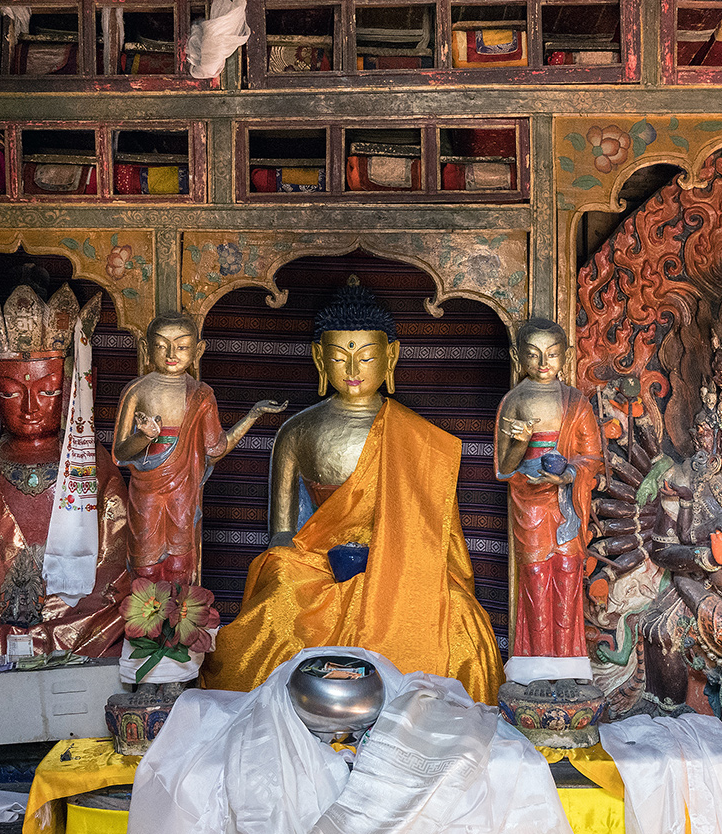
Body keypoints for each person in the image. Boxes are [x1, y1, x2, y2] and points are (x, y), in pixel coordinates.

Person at [203, 278, 502, 702]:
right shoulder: (297, 431)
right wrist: (315, 560)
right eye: (340, 357)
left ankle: (423, 714)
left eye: (365, 357)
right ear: (319, 359)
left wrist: (386, 564)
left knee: (460, 617)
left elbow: (438, 537)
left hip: (403, 566)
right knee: (281, 587)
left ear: (391, 357)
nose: (353, 370)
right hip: (319, 566)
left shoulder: (419, 439)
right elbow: (283, 534)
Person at [0, 278, 134, 660]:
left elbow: (113, 568)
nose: (29, 406)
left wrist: (64, 623)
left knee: (121, 614)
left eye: (48, 390)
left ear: (73, 390)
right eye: (10, 391)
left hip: (76, 622)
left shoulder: (94, 464)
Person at [113, 314, 284, 586]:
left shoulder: (202, 395)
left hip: (183, 487)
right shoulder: (136, 391)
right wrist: (145, 438)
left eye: (181, 347)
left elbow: (215, 449)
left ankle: (179, 620)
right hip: (146, 486)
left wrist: (252, 416)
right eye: (161, 346)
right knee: (144, 562)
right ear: (146, 349)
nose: (171, 354)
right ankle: (143, 621)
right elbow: (121, 452)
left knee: (180, 561)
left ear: (198, 351)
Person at [494, 319, 602, 677]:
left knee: (568, 570)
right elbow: (504, 468)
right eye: (533, 355)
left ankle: (568, 666)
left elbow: (592, 457)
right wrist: (522, 443)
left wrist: (569, 474)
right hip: (530, 500)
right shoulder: (513, 401)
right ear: (517, 357)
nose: (544, 362)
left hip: (566, 500)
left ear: (566, 357)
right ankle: (537, 668)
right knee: (537, 576)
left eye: (553, 354)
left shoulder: (576, 402)